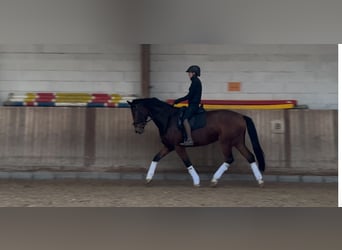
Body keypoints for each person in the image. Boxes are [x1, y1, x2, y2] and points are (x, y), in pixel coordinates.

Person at [173, 65, 202, 146]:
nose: (188, 74)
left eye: (189, 73)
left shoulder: (195, 82)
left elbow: (189, 96)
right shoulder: (195, 81)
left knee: (185, 119)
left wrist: (177, 101)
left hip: (193, 105)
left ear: (194, 73)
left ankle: (189, 140)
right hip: (193, 104)